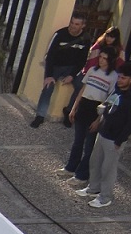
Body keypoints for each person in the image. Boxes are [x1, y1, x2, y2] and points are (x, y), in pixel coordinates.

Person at [62, 39, 118, 187]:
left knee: (89, 147)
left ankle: (82, 175)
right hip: (84, 106)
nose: (101, 60)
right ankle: (70, 167)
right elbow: (82, 90)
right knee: (77, 142)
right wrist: (74, 108)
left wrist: (99, 120)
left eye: (104, 58)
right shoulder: (92, 70)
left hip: (96, 109)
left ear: (110, 60)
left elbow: (108, 100)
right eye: (100, 56)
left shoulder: (113, 77)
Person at [82, 71, 131, 209]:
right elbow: (107, 107)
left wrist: (119, 140)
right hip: (103, 132)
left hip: (115, 138)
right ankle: (93, 188)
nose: (120, 80)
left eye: (124, 77)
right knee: (95, 162)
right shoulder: (116, 91)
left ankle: (105, 197)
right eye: (120, 77)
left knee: (108, 169)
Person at [37, 15, 90, 127]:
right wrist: (49, 75)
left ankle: (69, 111)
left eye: (77, 24)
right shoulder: (60, 34)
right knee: (48, 86)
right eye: (72, 23)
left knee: (80, 86)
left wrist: (72, 75)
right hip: (56, 66)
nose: (73, 26)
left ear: (82, 26)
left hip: (72, 68)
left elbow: (82, 61)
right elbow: (49, 56)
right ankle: (40, 116)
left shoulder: (85, 39)